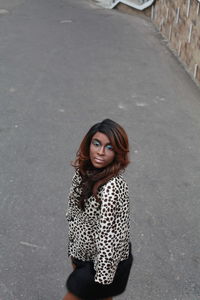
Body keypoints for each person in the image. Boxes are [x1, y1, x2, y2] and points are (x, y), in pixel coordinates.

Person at [63, 119, 133, 300]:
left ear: (118, 152)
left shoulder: (112, 187)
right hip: (83, 252)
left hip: (105, 263)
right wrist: (74, 248)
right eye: (97, 144)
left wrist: (100, 279)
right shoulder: (83, 172)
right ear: (89, 144)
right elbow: (73, 212)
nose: (101, 152)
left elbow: (110, 236)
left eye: (109, 148)